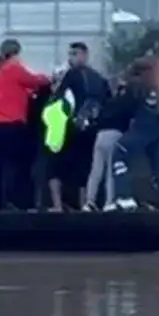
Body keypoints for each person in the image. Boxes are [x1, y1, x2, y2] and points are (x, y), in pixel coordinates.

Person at [0, 39, 50, 209]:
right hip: (8, 123)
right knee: (15, 164)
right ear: (16, 53)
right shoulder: (14, 67)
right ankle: (15, 202)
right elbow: (36, 81)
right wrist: (49, 78)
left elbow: (9, 91)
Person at [108, 59, 159, 211]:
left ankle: (124, 196)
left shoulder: (138, 84)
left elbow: (122, 107)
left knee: (120, 152)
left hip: (144, 128)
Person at [45, 42, 110, 210]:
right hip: (91, 129)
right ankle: (84, 203)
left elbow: (57, 99)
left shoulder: (71, 76)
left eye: (75, 54)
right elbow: (107, 101)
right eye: (70, 54)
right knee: (85, 166)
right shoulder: (98, 78)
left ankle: (59, 204)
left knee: (57, 166)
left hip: (68, 129)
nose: (71, 57)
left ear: (84, 55)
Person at [84, 73, 137, 210]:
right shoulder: (124, 102)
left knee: (96, 171)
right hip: (115, 135)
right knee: (111, 171)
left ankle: (89, 201)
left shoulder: (106, 103)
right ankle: (109, 202)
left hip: (100, 136)